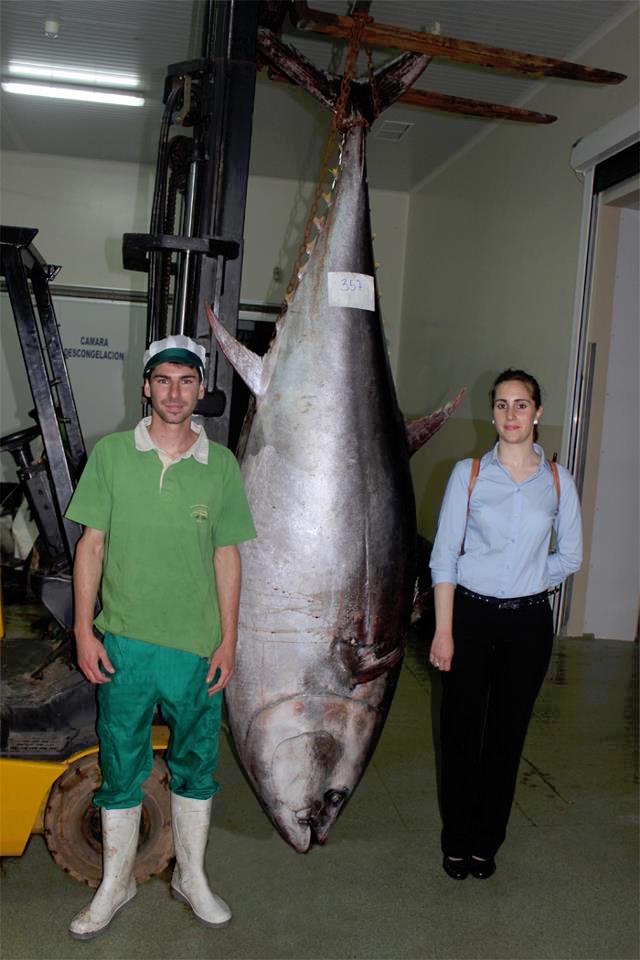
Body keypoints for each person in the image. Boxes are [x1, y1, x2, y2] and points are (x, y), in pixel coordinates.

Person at [64, 334, 256, 939]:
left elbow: (228, 557)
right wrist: (82, 630)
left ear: (201, 389)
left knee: (197, 764)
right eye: (164, 380)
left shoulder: (220, 465)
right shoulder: (113, 455)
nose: (175, 392)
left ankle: (190, 876)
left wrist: (227, 641)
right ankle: (115, 884)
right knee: (121, 763)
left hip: (196, 648)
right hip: (123, 643)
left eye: (187, 380)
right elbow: (90, 547)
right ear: (146, 387)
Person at [429, 368, 582, 881]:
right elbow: (444, 557)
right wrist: (444, 632)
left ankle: (485, 843)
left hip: (527, 626)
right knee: (460, 734)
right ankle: (456, 840)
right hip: (468, 618)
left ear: (538, 413)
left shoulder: (558, 482)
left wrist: (532, 577)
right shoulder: (468, 475)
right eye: (501, 405)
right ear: (491, 413)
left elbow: (573, 556)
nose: (510, 415)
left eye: (521, 405)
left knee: (505, 738)